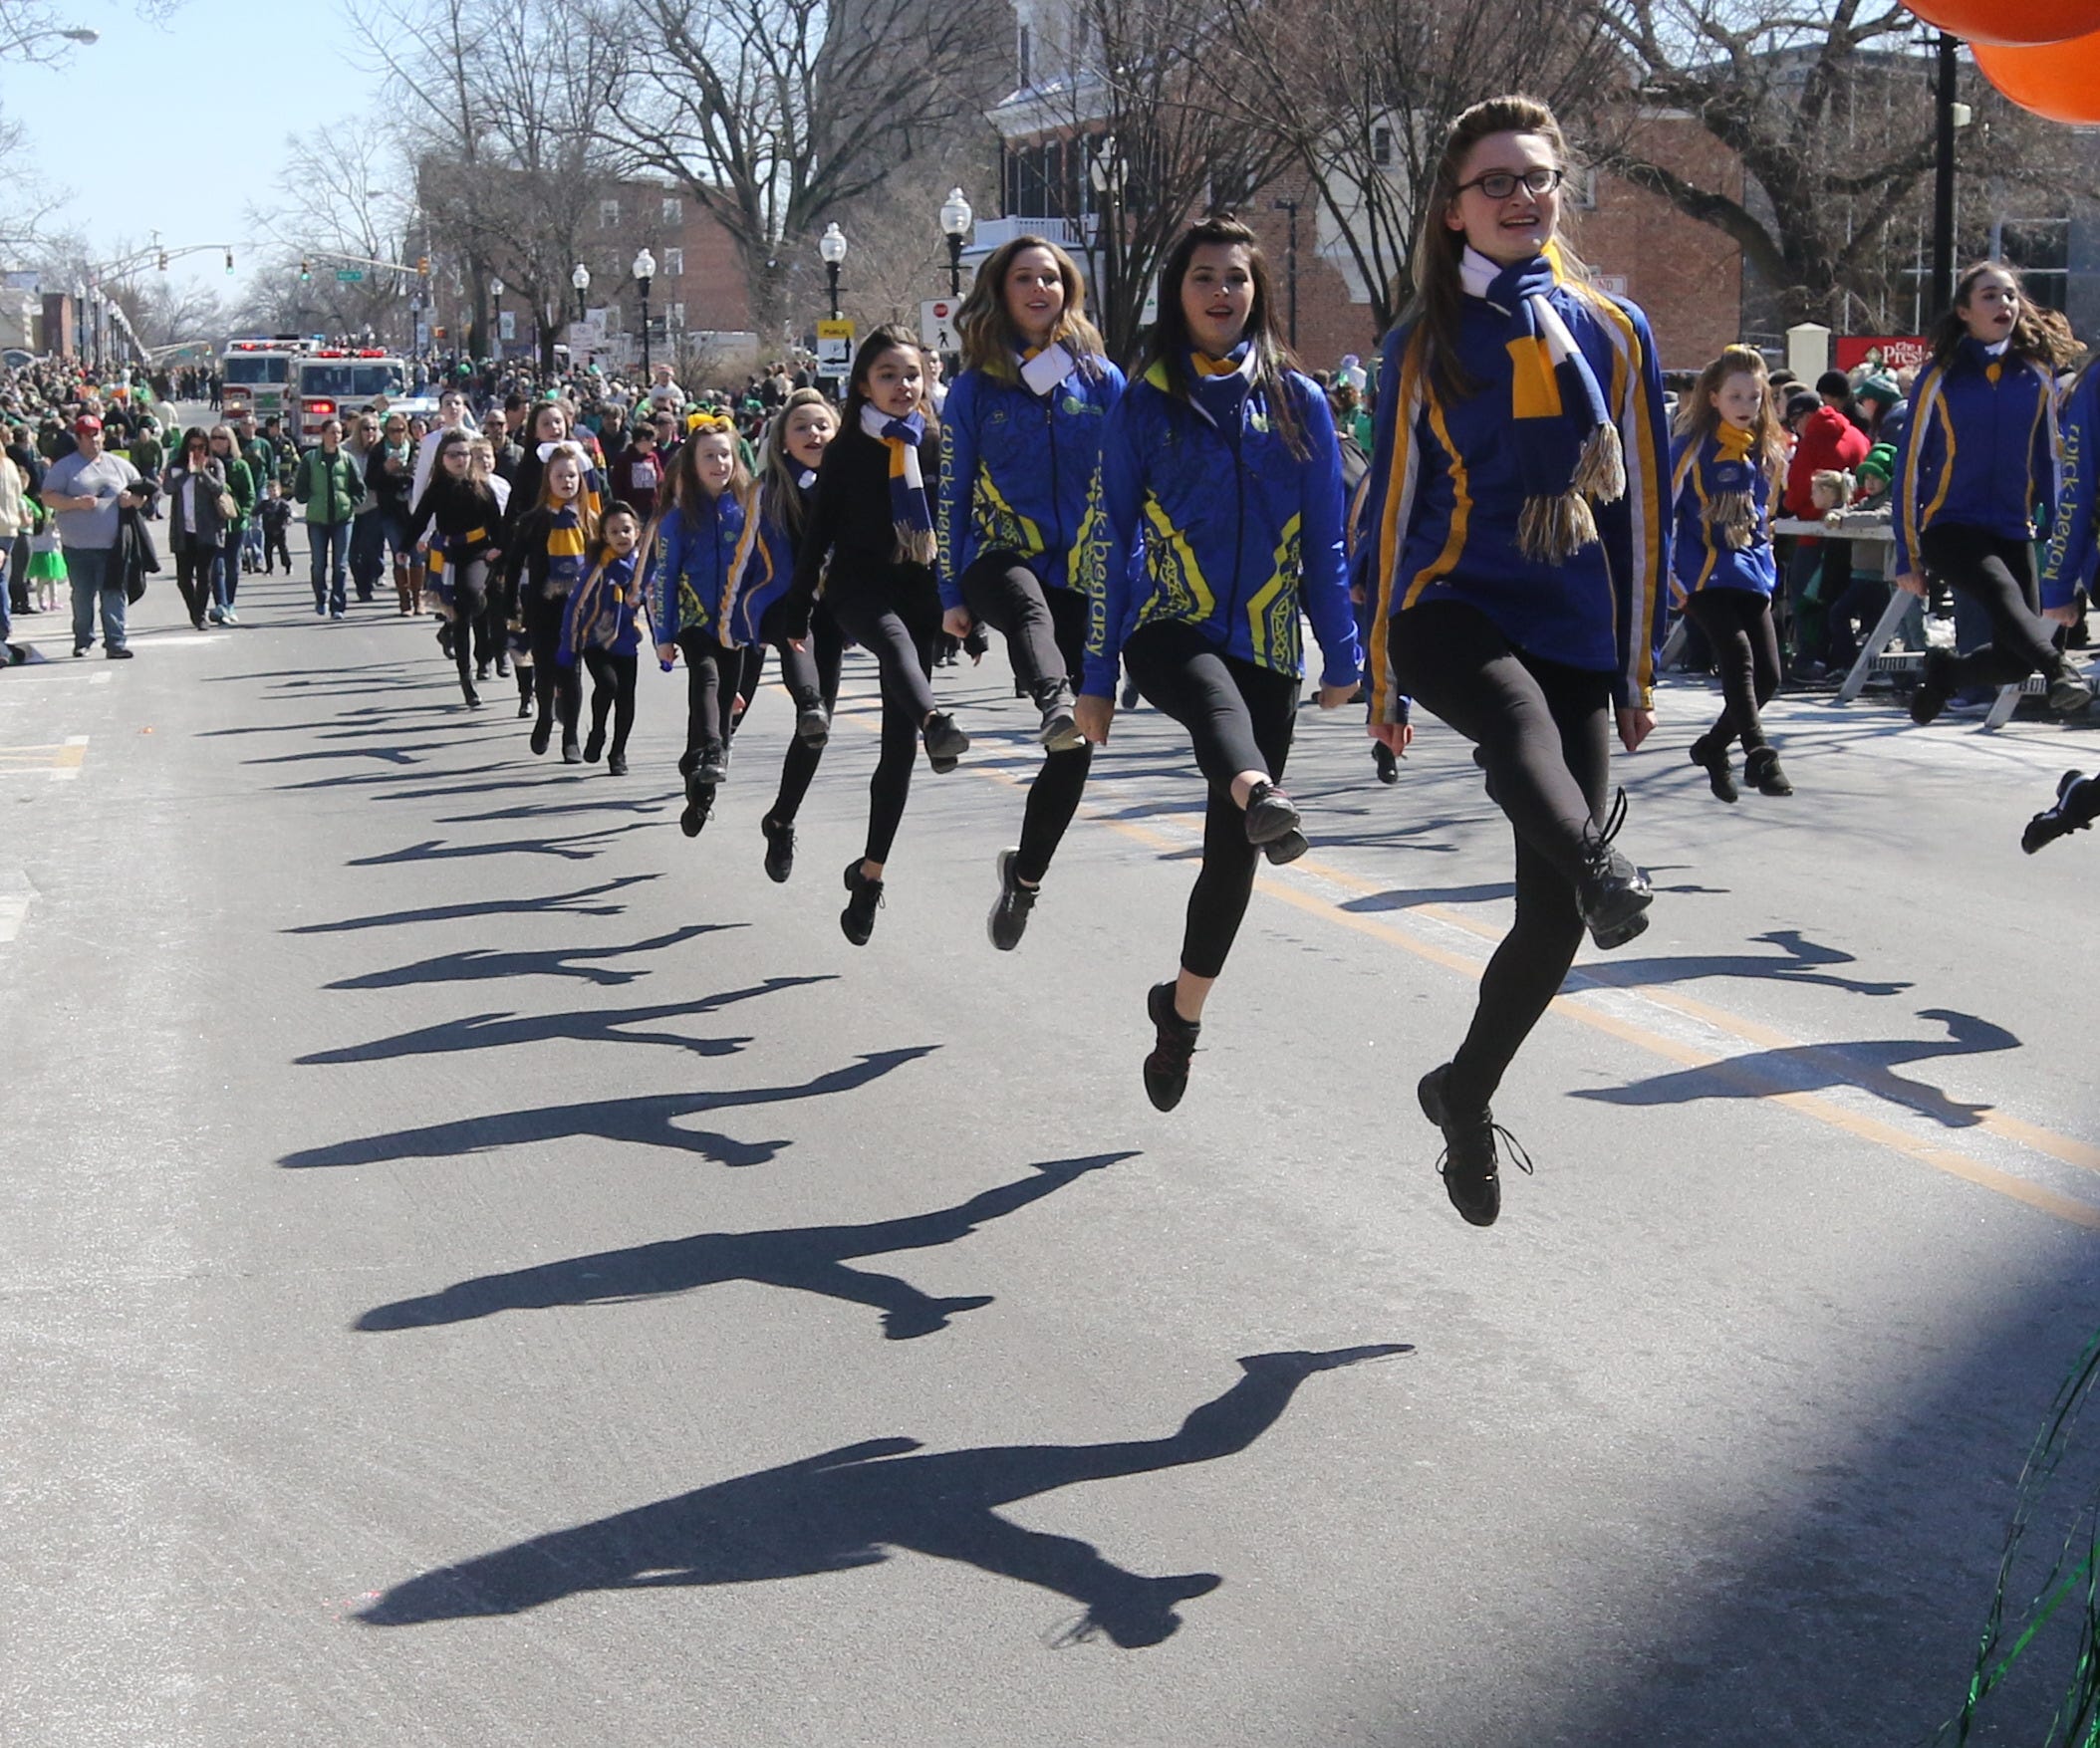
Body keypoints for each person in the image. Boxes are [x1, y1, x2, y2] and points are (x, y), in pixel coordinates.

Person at [1360, 96, 1670, 1226]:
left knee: (1547, 924)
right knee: (1512, 725)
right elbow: (1387, 511)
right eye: (1493, 181)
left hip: (1572, 624)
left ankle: (1462, 1092)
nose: (1519, 197)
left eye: (1535, 178)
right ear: (1451, 209)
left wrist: (1634, 668)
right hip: (1447, 602)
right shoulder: (1422, 342)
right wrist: (1381, 674)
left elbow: (1640, 515)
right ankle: (1602, 867)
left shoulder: (1613, 329)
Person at [1076, 215, 1361, 1110]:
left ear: (1256, 292)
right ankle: (1258, 791)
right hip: (1167, 622)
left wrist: (1343, 650)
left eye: (1236, 278)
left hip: (1270, 642)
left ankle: (1180, 1016)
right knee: (1207, 699)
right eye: (1204, 276)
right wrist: (1093, 679)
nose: (1221, 292)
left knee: (1230, 862)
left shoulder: (1299, 401)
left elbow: (1325, 538)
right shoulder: (1144, 400)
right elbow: (1106, 534)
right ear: (1179, 291)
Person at [937, 235, 1126, 950]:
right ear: (1001, 290)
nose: (1040, 288)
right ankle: (1053, 702)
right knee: (1025, 607)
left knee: (1071, 754)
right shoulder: (975, 389)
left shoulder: (1100, 380)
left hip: (1080, 571)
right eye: (1025, 278)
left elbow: (1136, 481)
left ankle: (1025, 877)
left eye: (1051, 277)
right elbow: (950, 492)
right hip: (995, 555)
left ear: (1068, 290)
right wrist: (949, 590)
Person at [785, 326, 970, 944]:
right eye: (888, 375)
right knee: (891, 647)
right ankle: (937, 722)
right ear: (864, 383)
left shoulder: (937, 440)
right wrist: (796, 603)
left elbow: (952, 527)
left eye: (912, 375)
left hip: (917, 587)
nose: (902, 386)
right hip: (856, 587)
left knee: (898, 754)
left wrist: (962, 607)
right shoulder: (846, 449)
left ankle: (869, 877)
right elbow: (817, 534)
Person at [1897, 261, 2091, 726]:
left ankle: (1946, 673)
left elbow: (2051, 464)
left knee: (2015, 656)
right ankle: (2060, 668)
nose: (2003, 304)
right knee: (2002, 593)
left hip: (2012, 526)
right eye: (1989, 295)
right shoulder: (1939, 376)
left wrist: (2068, 543)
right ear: (1964, 311)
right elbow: (1909, 466)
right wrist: (1907, 555)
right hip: (1950, 526)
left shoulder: (2037, 372)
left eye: (2009, 295)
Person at [731, 388, 842, 883]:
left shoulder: (849, 483)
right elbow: (740, 559)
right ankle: (808, 702)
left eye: (821, 425)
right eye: (801, 427)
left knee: (815, 735)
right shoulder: (766, 490)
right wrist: (729, 622)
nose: (813, 434)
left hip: (834, 609)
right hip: (776, 603)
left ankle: (781, 819)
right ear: (782, 440)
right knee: (803, 664)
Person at [1672, 346, 1791, 801]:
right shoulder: (1690, 447)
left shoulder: (1767, 454)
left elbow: (1766, 516)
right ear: (1715, 397)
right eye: (1736, 397)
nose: (1746, 407)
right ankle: (1759, 752)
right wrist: (1669, 579)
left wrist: (1766, 562)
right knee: (1737, 657)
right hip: (1701, 573)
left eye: (1755, 398)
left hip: (1750, 572)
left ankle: (1711, 747)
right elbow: (1660, 511)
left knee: (1770, 677)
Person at [649, 416, 750, 834]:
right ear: (692, 464)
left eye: (725, 454)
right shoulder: (676, 518)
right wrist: (664, 635)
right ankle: (711, 749)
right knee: (705, 679)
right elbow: (663, 578)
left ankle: (700, 789)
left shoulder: (745, 511)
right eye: (709, 455)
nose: (719, 463)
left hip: (735, 622)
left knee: (725, 697)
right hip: (694, 619)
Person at [503, 441, 596, 753]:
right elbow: (514, 563)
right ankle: (544, 717)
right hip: (542, 605)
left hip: (578, 608)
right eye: (560, 476)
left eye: (571, 475)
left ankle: (571, 735)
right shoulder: (534, 520)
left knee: (571, 671)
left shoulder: (588, 521)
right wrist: (511, 602)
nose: (566, 481)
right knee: (544, 669)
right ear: (549, 479)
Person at [1781, 371, 1870, 675]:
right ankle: (1840, 660)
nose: (1796, 429)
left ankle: (1810, 659)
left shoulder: (1813, 440)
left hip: (1813, 537)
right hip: (1853, 536)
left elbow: (1794, 495)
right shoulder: (1858, 436)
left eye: (1795, 422)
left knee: (1807, 599)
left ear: (1804, 416)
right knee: (1838, 602)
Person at [407, 428, 504, 708]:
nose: (461, 459)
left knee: (474, 598)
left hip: (479, 551)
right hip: (448, 552)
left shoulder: (487, 486)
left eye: (465, 454)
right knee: (461, 615)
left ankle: (467, 633)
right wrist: (413, 544)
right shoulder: (438, 488)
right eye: (454, 455)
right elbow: (422, 516)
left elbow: (498, 522)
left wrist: (502, 547)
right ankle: (466, 678)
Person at [558, 498, 652, 776]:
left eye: (626, 530)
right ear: (603, 536)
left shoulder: (642, 569)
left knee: (626, 698)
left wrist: (666, 641)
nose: (621, 536)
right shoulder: (597, 568)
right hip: (595, 640)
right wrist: (567, 645)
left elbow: (657, 606)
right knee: (607, 685)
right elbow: (574, 605)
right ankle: (597, 730)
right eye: (614, 531)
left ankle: (618, 752)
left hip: (626, 642)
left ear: (637, 532)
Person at [42, 414, 146, 658]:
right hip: (77, 547)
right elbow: (48, 496)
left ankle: (116, 642)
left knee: (113, 593)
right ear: (78, 439)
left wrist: (133, 500)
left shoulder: (118, 464)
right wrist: (74, 503)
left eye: (97, 433)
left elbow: (143, 491)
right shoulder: (65, 467)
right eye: (88, 435)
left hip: (114, 546)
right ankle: (83, 639)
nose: (94, 439)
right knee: (82, 595)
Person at [294, 418, 367, 619]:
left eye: (338, 433)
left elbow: (359, 487)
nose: (336, 437)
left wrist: (351, 501)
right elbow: (300, 487)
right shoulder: (310, 458)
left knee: (340, 565)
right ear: (323, 434)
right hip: (317, 518)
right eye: (332, 432)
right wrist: (307, 497)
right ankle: (320, 597)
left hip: (343, 517)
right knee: (318, 564)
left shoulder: (347, 459)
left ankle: (338, 605)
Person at [162, 426, 230, 630]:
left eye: (201, 447)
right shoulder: (176, 466)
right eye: (193, 447)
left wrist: (202, 473)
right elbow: (167, 488)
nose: (197, 451)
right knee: (183, 578)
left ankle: (200, 614)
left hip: (207, 529)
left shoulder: (214, 465)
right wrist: (187, 473)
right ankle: (194, 610)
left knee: (204, 576)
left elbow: (220, 489)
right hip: (183, 530)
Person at [368, 410, 419, 615]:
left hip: (413, 510)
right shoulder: (378, 451)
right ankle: (404, 600)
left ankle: (418, 599)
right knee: (399, 553)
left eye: (400, 430)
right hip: (390, 509)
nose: (397, 435)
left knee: (417, 554)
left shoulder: (415, 448)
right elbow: (370, 481)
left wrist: (410, 472)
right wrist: (385, 470)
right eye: (392, 431)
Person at [258, 483, 293, 576]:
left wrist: (288, 519)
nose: (272, 493)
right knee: (267, 550)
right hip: (268, 530)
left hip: (280, 530)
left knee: (282, 549)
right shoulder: (264, 504)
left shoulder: (282, 503)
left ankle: (288, 565)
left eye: (274, 490)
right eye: (270, 491)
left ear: (279, 491)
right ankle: (269, 568)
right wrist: (252, 515)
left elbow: (288, 512)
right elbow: (256, 511)